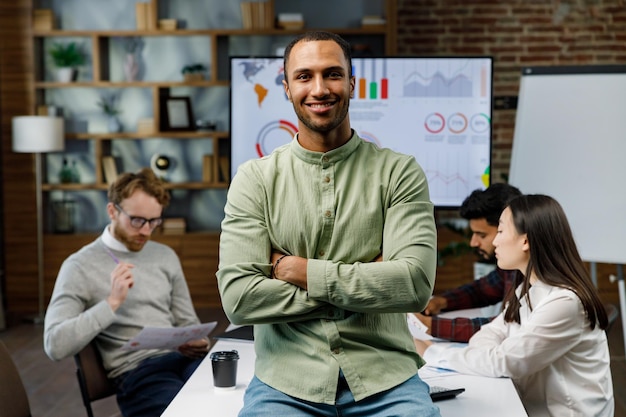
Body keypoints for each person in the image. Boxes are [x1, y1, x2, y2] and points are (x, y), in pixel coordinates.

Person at [217, 31, 440, 416]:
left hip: (386, 379)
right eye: (304, 76)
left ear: (352, 83)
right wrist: (365, 285)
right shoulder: (254, 179)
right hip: (286, 382)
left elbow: (414, 285)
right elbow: (238, 299)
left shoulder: (400, 173)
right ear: (286, 87)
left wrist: (296, 270)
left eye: (333, 74)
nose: (319, 88)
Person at [415, 194, 614, 417]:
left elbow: (506, 362)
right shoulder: (526, 289)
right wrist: (496, 354)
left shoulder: (565, 302)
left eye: (500, 231)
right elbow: (490, 334)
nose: (496, 241)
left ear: (525, 241)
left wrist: (431, 351)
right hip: (529, 406)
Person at [44, 168, 209, 417]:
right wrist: (111, 303)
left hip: (184, 361)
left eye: (154, 222)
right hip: (138, 372)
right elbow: (54, 345)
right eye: (137, 220)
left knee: (236, 399)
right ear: (112, 211)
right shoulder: (79, 266)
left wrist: (198, 341)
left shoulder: (165, 256)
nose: (146, 231)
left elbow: (188, 321)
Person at [415, 183, 524, 342]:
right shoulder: (512, 267)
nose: (473, 243)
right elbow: (482, 290)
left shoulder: (536, 277)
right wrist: (441, 302)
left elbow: (505, 328)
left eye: (481, 235)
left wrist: (431, 326)